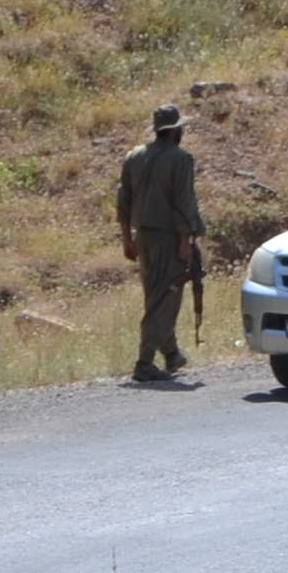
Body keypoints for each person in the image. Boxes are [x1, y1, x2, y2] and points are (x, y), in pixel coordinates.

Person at [116, 104, 205, 386]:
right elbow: (184, 203)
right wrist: (185, 241)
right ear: (176, 130)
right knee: (165, 299)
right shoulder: (181, 160)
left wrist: (127, 239)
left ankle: (171, 354)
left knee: (156, 295)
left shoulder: (134, 156)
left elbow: (123, 200)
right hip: (169, 238)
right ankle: (144, 363)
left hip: (142, 236)